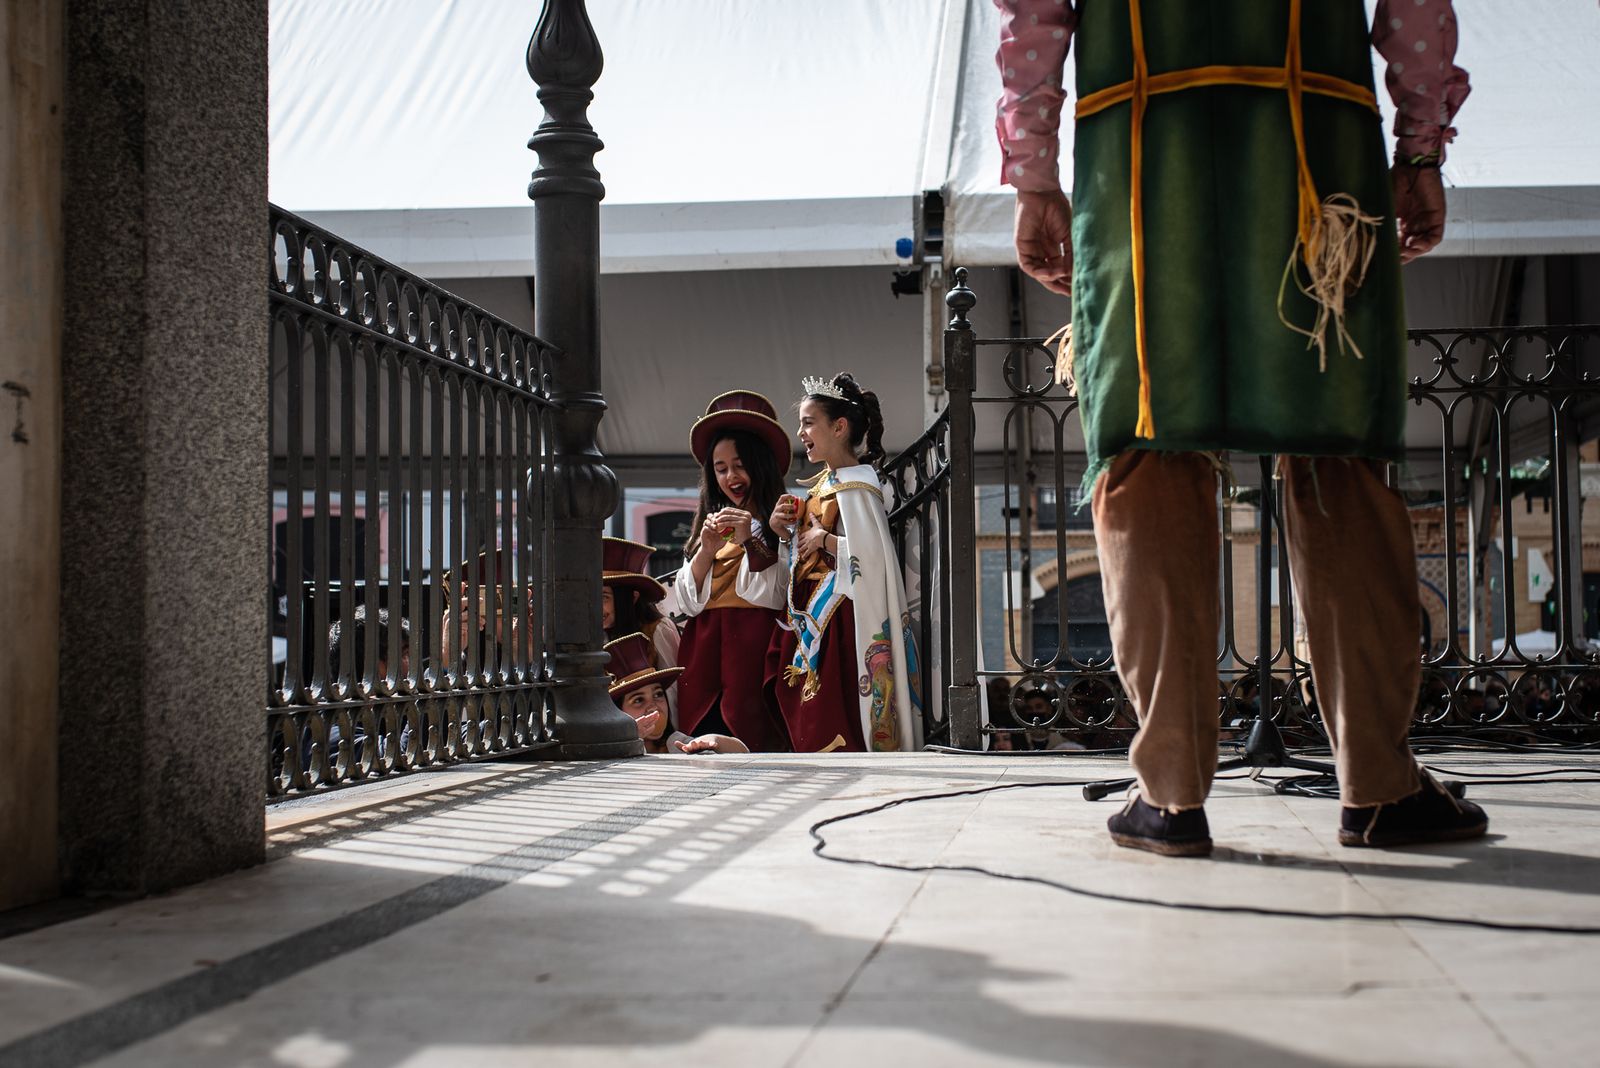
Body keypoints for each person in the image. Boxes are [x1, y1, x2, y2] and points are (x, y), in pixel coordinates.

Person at [996, 0, 1486, 854]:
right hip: (1313, 138)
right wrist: (1419, 147)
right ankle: (1378, 784)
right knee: (1334, 447)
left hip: (1142, 147)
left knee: (1152, 444)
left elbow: (1031, 19)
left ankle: (1171, 792)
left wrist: (1035, 173)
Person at [756, 373, 920, 753]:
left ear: (840, 426)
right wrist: (785, 534)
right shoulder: (823, 486)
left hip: (844, 619)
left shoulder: (857, 485)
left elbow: (874, 558)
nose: (801, 432)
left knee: (835, 713)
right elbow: (807, 554)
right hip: (814, 617)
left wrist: (824, 539)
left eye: (809, 422)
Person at [673, 391, 792, 750]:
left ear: (760, 465)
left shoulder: (782, 520)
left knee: (756, 743)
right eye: (720, 468)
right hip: (703, 654)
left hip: (755, 653)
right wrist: (706, 550)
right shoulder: (706, 529)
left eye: (740, 465)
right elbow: (688, 604)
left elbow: (777, 593)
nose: (730, 477)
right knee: (701, 747)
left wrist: (748, 541)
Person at [605, 632, 748, 754]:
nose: (653, 707)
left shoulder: (675, 743)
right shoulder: (609, 753)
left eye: (658, 695)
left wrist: (714, 740)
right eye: (638, 700)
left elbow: (743, 752)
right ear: (618, 711)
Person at [603, 537, 680, 718]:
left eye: (603, 597)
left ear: (632, 598)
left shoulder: (658, 630)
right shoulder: (593, 635)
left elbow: (674, 691)